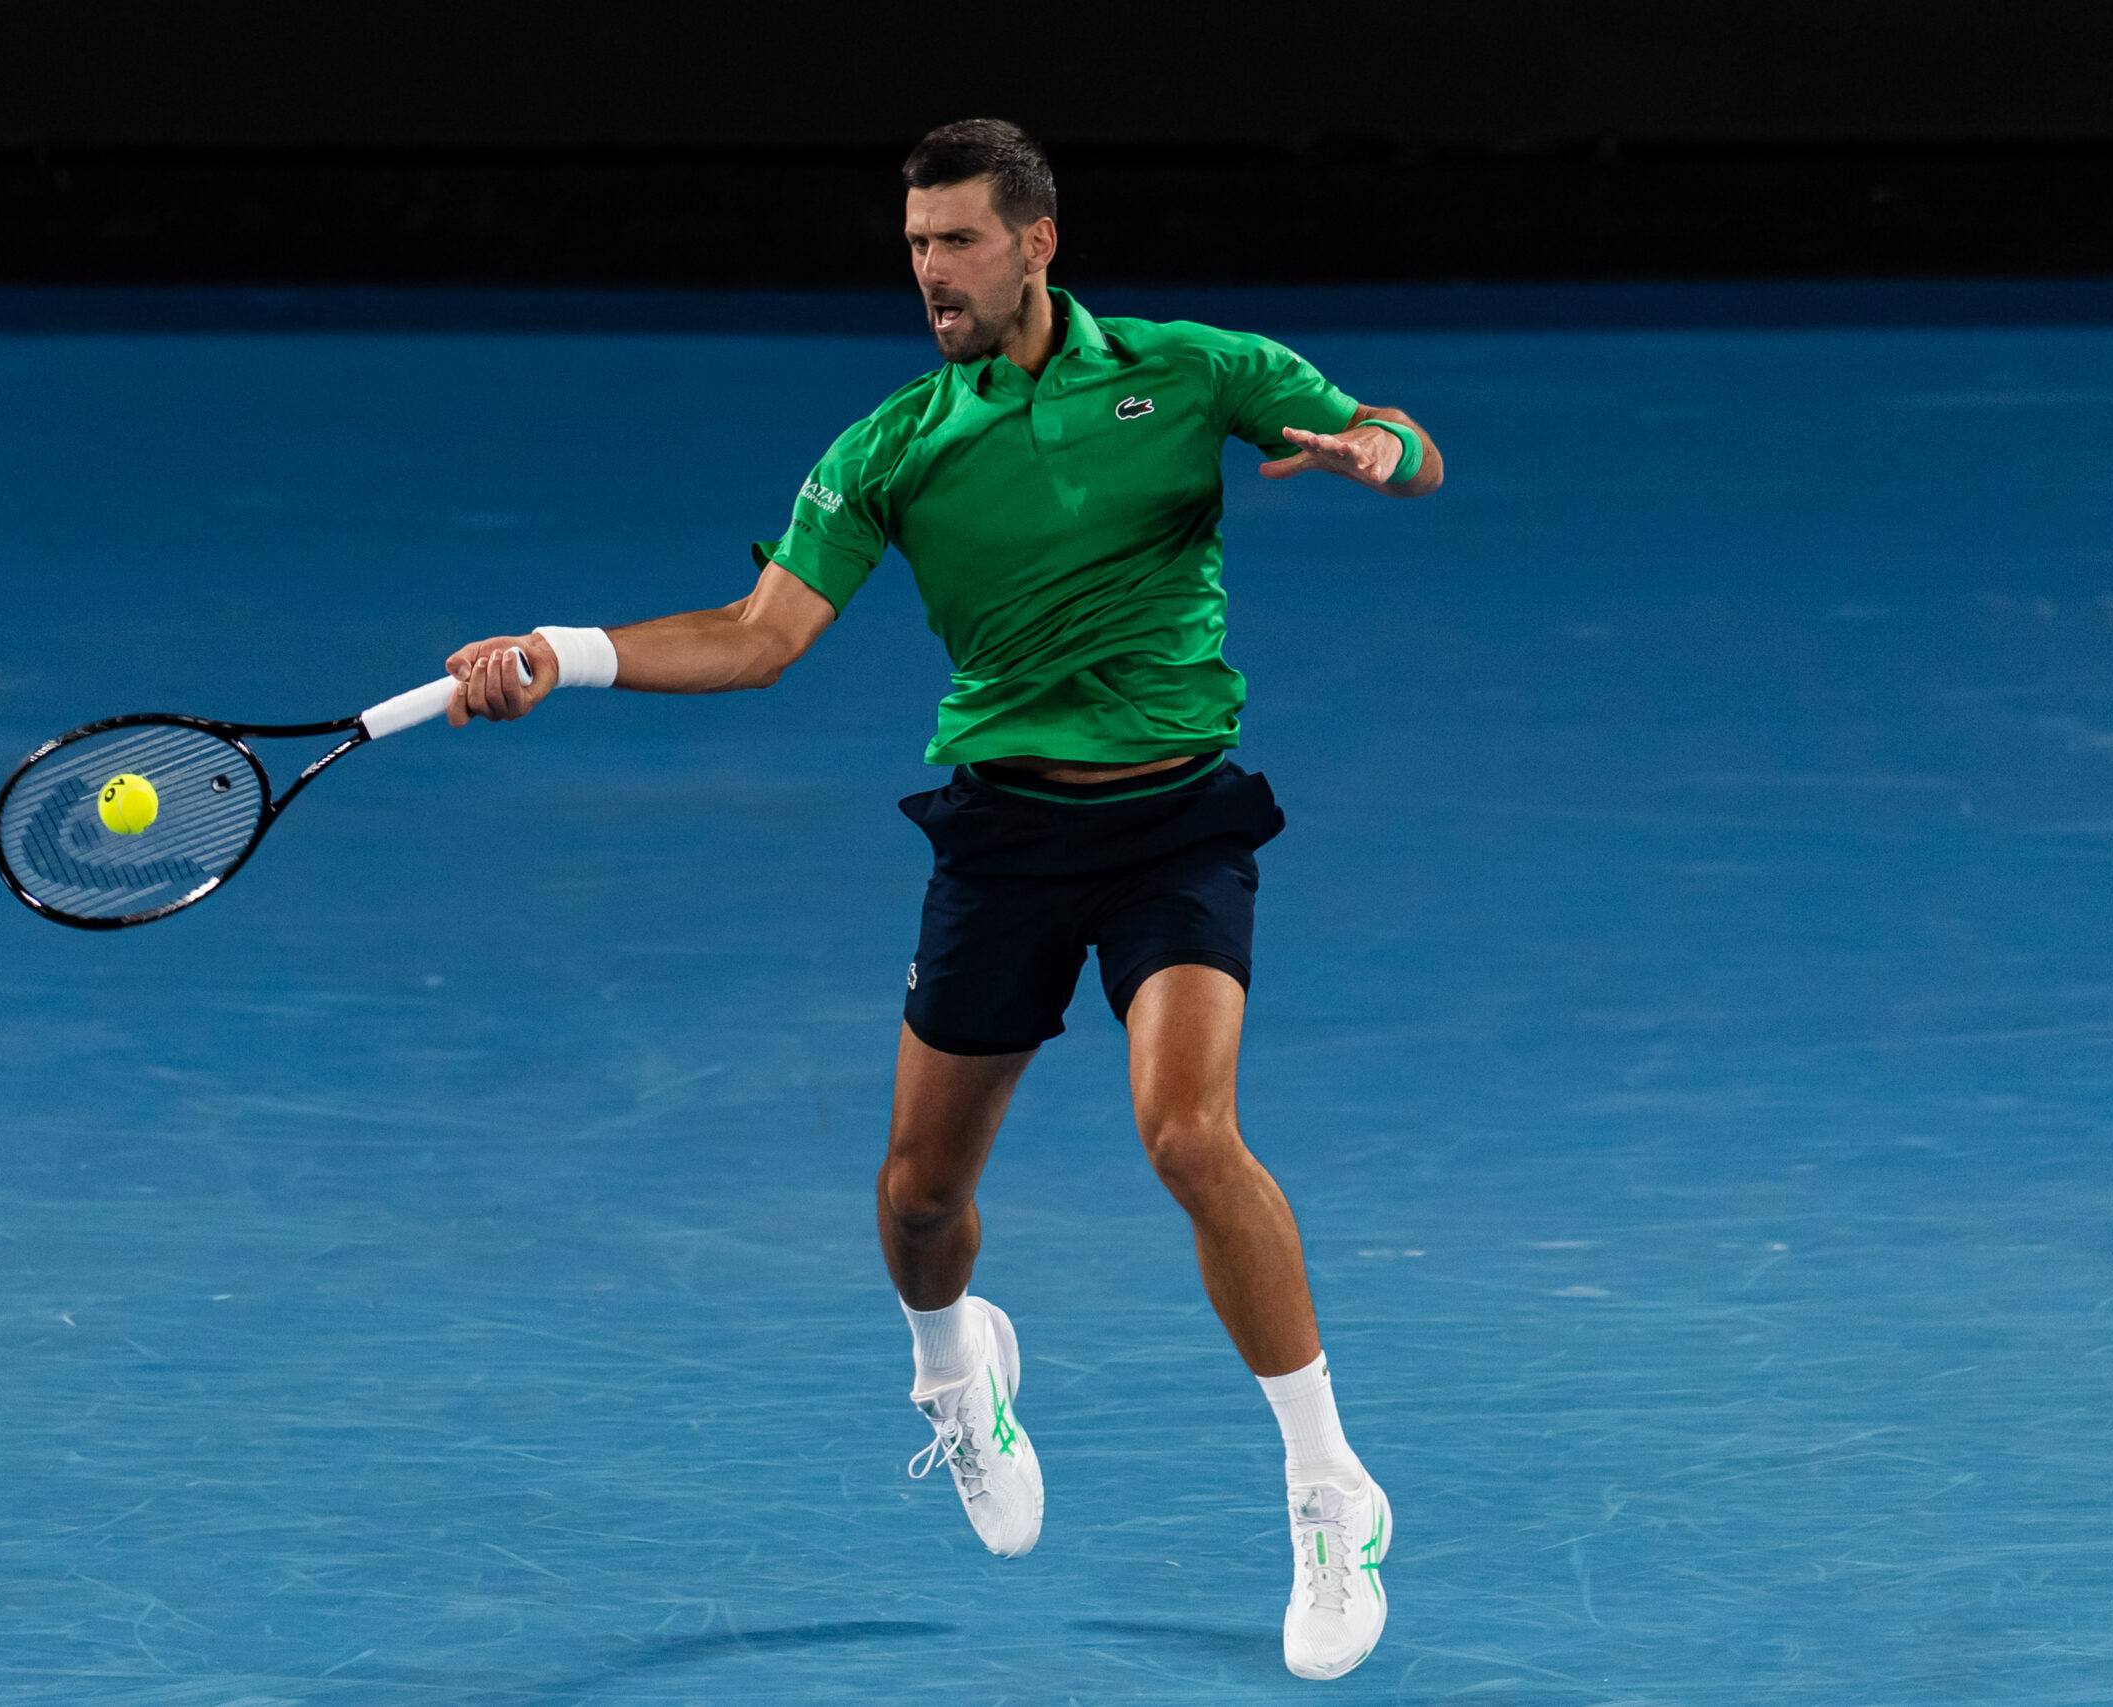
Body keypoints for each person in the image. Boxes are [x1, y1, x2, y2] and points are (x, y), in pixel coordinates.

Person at [440, 118, 1441, 1682]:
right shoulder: (888, 445)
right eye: (914, 246)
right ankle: (955, 1369)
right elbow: (759, 634)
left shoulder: (1194, 369)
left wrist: (1380, 449)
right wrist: (562, 655)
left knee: (1188, 1133)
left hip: (1177, 821)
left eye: (957, 242)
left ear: (1038, 242)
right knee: (917, 1205)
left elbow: (1402, 438)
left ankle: (1330, 1487)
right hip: (1002, 839)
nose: (930, 273)